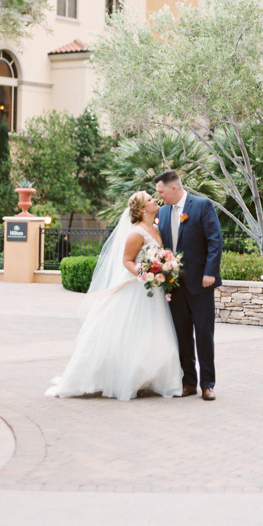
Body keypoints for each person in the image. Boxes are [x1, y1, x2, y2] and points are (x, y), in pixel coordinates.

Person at [45, 191, 182, 401]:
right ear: (142, 208)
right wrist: (144, 273)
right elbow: (127, 261)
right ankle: (122, 378)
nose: (155, 200)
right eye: (149, 199)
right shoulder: (136, 233)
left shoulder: (155, 228)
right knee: (130, 334)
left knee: (152, 334)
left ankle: (150, 378)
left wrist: (163, 268)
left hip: (154, 292)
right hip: (137, 290)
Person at [154, 170, 223, 401]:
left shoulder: (202, 205)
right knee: (182, 336)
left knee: (204, 334)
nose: (159, 197)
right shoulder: (162, 212)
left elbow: (215, 240)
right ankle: (188, 382)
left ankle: (207, 384)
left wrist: (210, 272)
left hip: (201, 283)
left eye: (161, 192)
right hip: (174, 286)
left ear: (173, 188)